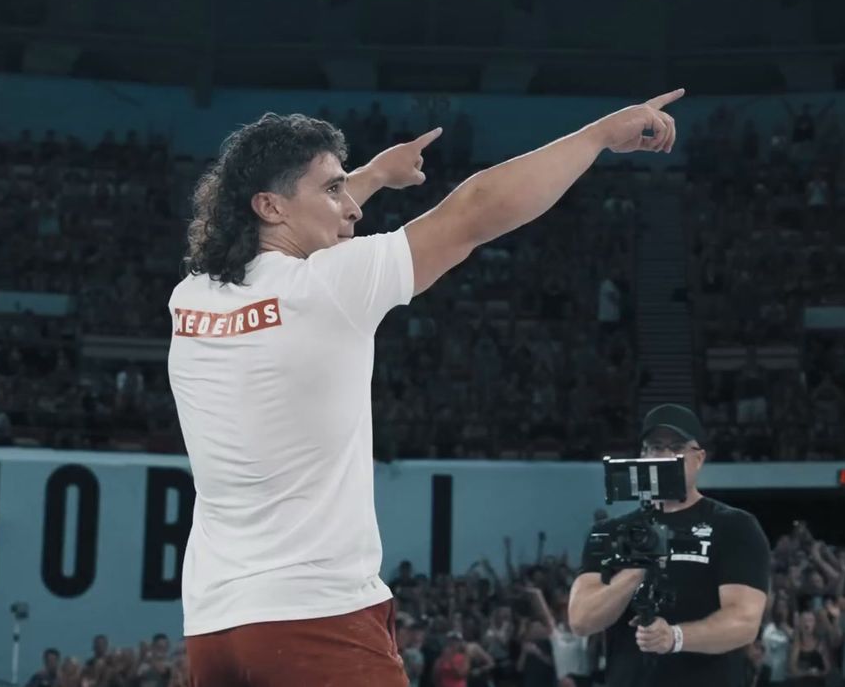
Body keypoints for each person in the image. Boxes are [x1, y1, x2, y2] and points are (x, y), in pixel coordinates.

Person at [171, 92, 686, 686]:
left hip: (213, 628)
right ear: (270, 205)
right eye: (333, 190)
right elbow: (475, 209)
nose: (352, 208)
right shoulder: (329, 285)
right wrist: (597, 135)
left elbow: (283, 228)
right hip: (315, 620)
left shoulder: (193, 295)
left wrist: (371, 177)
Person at [567, 404, 770, 686]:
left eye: (676, 447)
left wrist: (676, 637)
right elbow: (581, 620)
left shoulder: (734, 526)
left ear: (698, 458)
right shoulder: (609, 533)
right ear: (642, 456)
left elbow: (744, 622)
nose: (663, 456)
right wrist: (636, 570)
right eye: (654, 447)